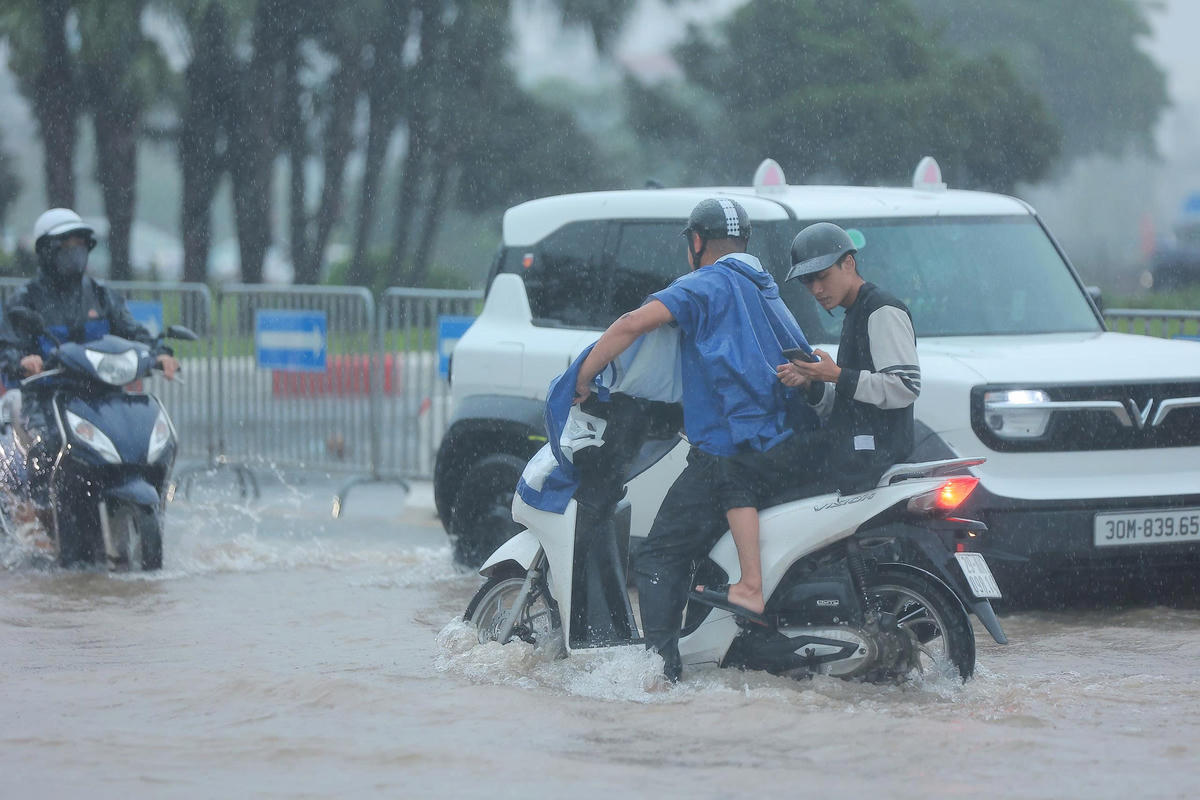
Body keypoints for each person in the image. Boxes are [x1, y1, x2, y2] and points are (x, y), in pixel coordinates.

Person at [574, 198, 819, 682]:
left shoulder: (705, 284)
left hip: (727, 452)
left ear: (696, 242)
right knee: (707, 551)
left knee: (659, 553)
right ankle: (722, 651)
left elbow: (632, 323)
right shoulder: (761, 284)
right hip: (782, 444)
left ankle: (658, 671)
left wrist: (582, 376)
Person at [0, 208, 179, 528]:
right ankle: (43, 520)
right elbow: (7, 346)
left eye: (81, 246)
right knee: (44, 450)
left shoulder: (101, 295)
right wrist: (21, 361)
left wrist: (159, 353)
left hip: (100, 398)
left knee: (142, 439)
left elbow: (134, 332)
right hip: (47, 398)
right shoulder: (24, 300)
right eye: (66, 247)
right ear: (46, 252)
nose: (75, 254)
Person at [777, 222, 920, 493]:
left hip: (872, 462)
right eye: (808, 281)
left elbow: (905, 387)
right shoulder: (854, 311)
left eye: (822, 276)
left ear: (849, 263)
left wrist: (837, 375)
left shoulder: (881, 310)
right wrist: (812, 381)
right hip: (853, 455)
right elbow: (850, 405)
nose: (816, 289)